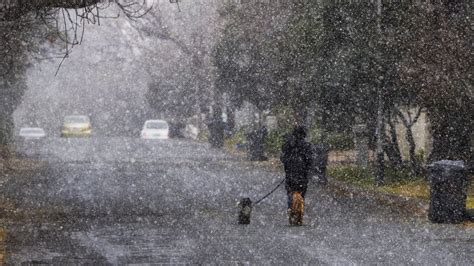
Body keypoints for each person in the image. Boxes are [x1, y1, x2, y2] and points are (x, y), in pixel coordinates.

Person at [280, 126, 313, 210]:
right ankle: (300, 207)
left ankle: (290, 208)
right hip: (302, 176)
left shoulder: (288, 145)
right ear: (304, 135)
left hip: (290, 175)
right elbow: (310, 161)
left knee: (290, 192)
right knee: (302, 193)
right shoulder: (307, 146)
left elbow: (283, 158)